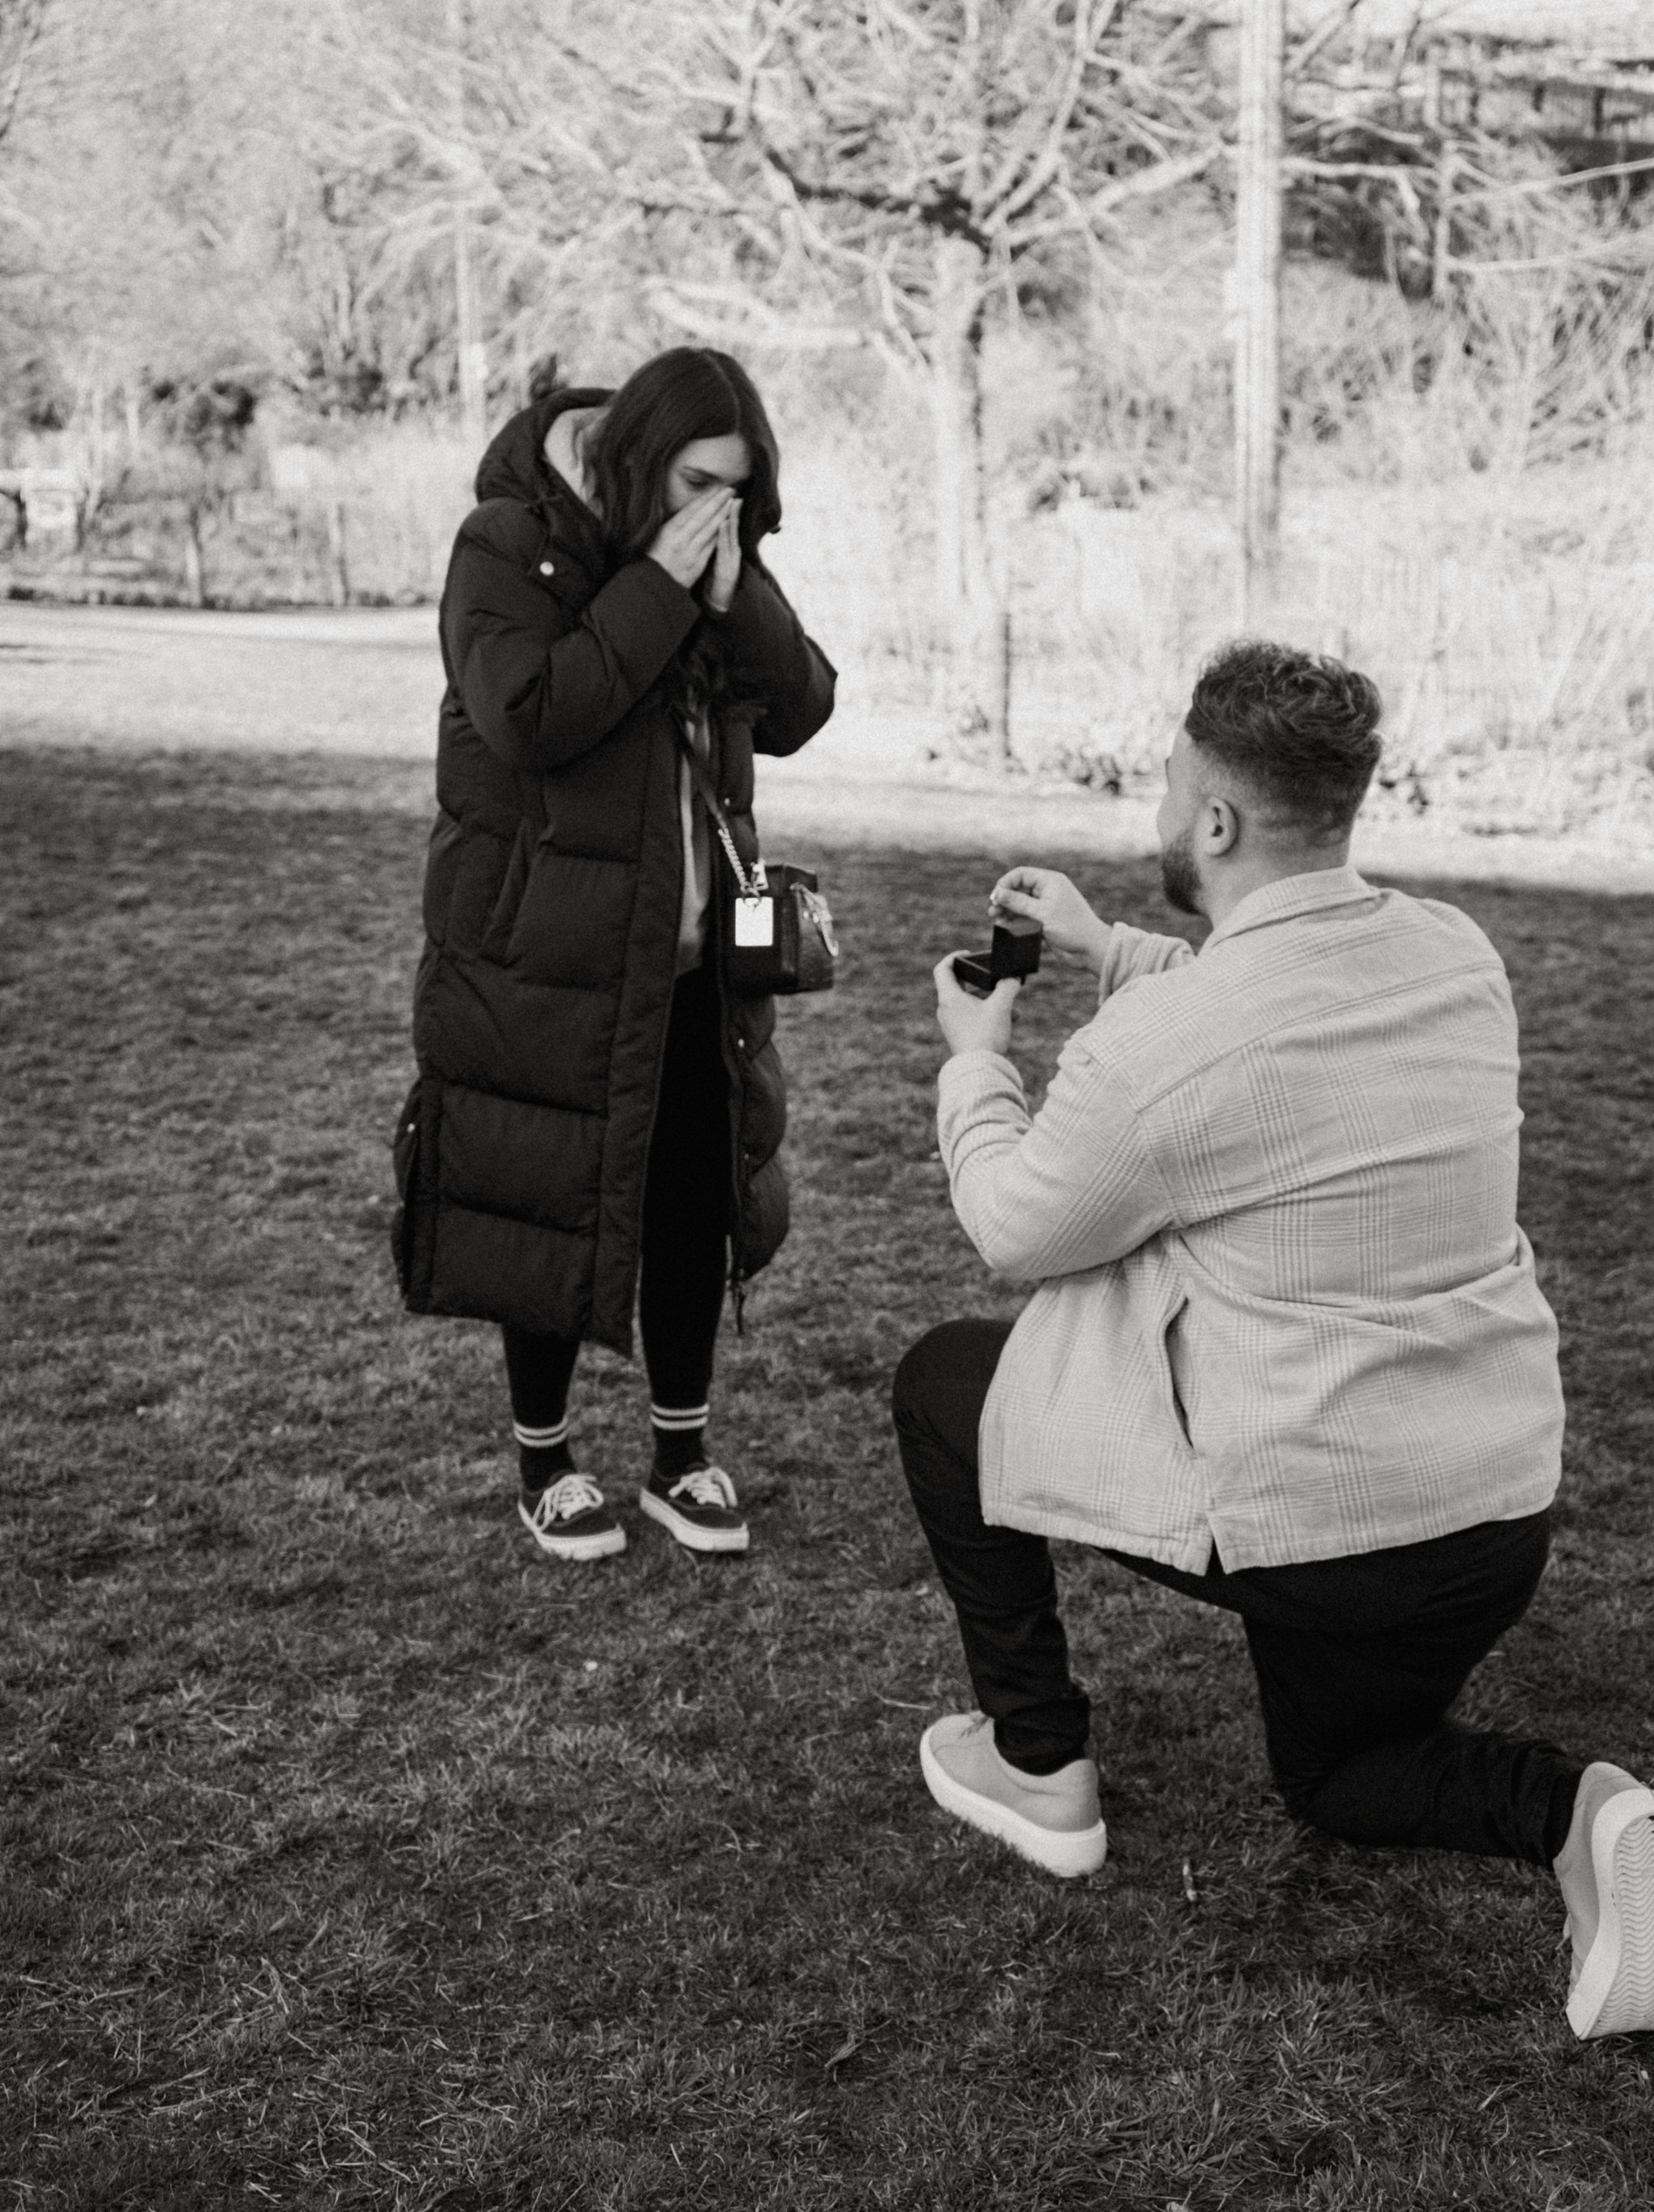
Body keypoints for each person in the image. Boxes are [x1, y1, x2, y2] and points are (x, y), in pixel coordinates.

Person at [893, 638, 1654, 2041]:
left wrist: (972, 1059)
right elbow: (1265, 1005)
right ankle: (1590, 1813)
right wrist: (1103, 944)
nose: (1162, 813)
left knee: (946, 1382)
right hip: (1483, 1519)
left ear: (1217, 822)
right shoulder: (1451, 955)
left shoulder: (1171, 1045)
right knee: (1343, 1779)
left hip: (1318, 1526)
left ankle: (1037, 1765)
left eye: (1171, 791)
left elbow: (1011, 1222)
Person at [394, 348, 835, 1563]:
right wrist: (650, 583)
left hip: (695, 957)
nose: (715, 508)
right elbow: (532, 716)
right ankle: (547, 1465)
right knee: (548, 1194)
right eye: (699, 482)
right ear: (640, 459)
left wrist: (733, 585)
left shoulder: (706, 549)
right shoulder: (507, 541)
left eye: (736, 492)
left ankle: (681, 1458)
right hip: (545, 949)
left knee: (695, 1199)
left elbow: (800, 710)